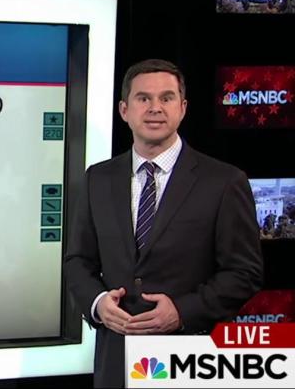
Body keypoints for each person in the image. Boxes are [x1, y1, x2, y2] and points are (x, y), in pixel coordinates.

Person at [64, 59, 263, 387]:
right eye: (143, 98)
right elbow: (77, 261)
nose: (155, 108)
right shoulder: (98, 178)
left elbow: (244, 272)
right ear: (124, 110)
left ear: (182, 108)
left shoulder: (224, 182)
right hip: (116, 362)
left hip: (189, 361)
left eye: (166, 98)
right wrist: (98, 304)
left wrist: (182, 312)